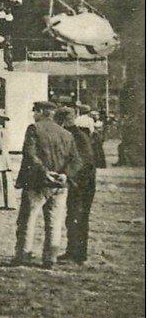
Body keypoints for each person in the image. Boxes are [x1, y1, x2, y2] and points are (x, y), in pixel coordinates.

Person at [12, 100, 82, 269]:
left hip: (37, 183)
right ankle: (50, 257)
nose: (33, 115)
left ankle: (24, 255)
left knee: (28, 220)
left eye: (35, 111)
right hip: (59, 185)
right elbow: (76, 160)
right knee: (54, 222)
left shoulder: (34, 129)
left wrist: (44, 172)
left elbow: (30, 154)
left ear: (42, 112)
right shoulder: (66, 134)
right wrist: (64, 174)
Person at [59, 106, 97, 264]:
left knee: (78, 217)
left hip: (82, 184)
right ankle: (72, 250)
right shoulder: (77, 134)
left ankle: (79, 253)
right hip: (79, 182)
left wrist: (68, 176)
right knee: (73, 217)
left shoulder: (77, 136)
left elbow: (83, 163)